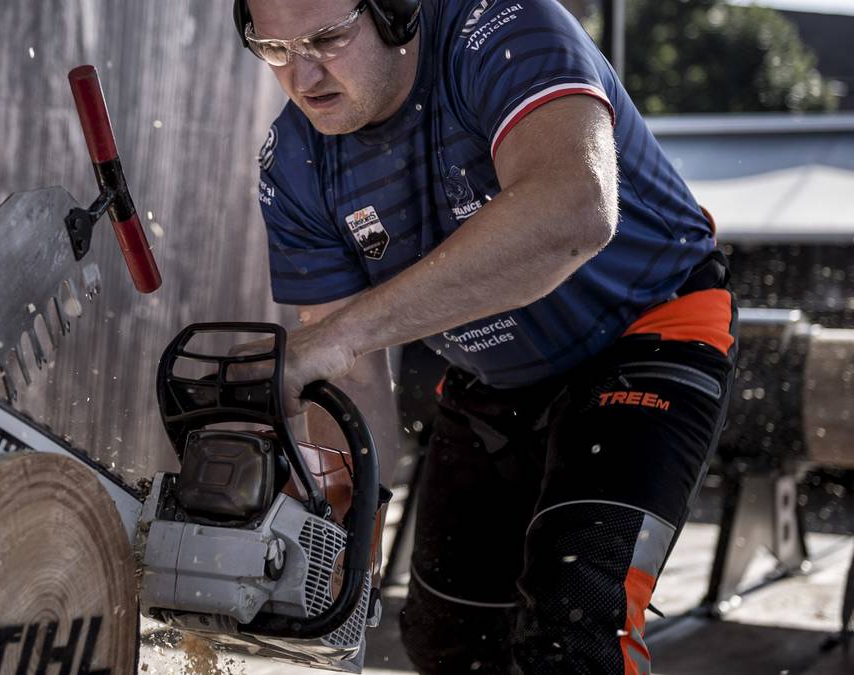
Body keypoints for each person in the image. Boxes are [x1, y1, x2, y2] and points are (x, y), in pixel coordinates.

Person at [235, 0, 737, 672]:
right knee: (448, 637)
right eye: (274, 49)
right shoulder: (295, 163)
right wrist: (346, 532)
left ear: (397, 12)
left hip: (645, 331)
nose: (302, 74)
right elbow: (349, 372)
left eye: (327, 38)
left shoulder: (503, 28)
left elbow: (576, 211)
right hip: (493, 372)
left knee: (577, 621)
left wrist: (348, 332)